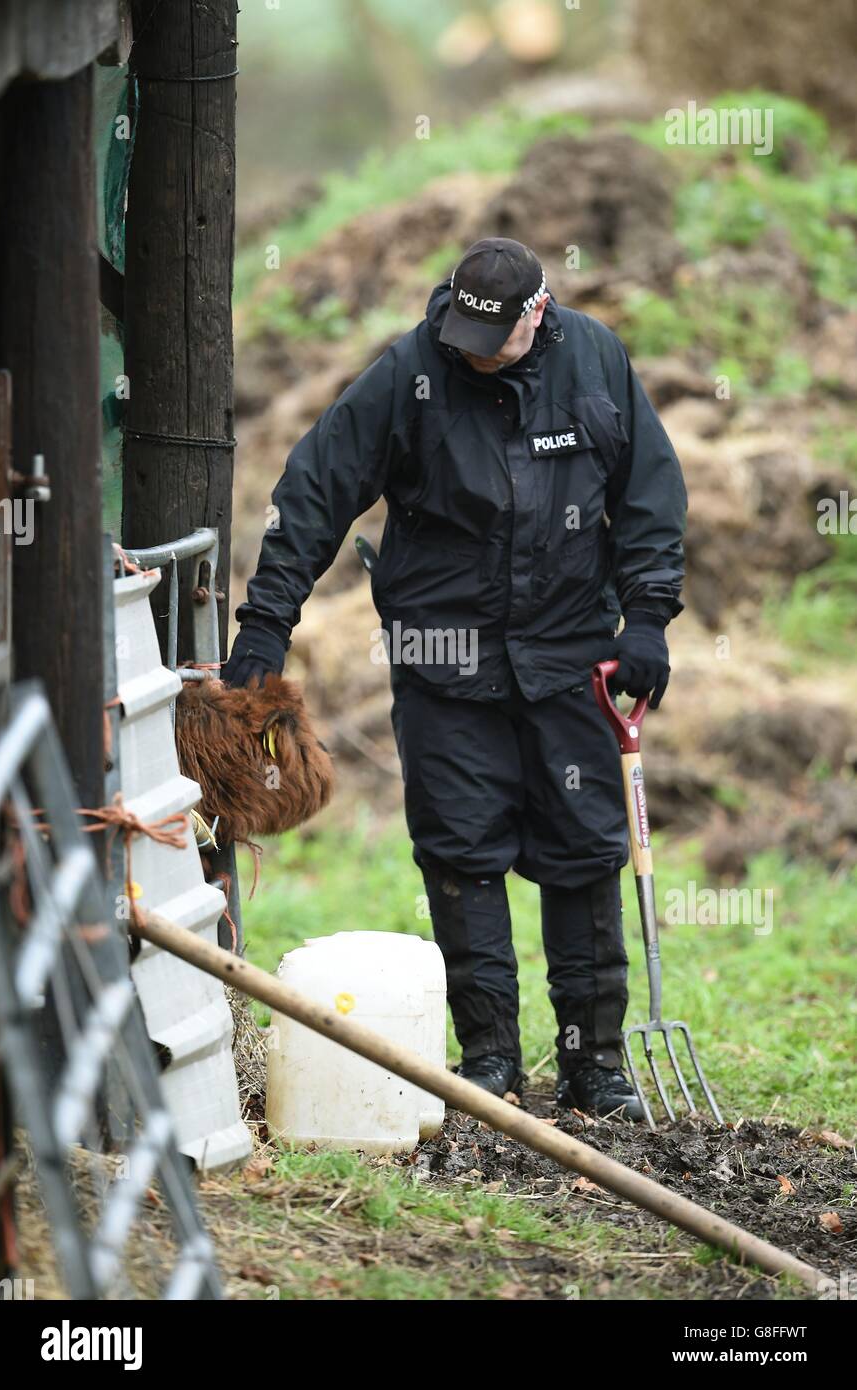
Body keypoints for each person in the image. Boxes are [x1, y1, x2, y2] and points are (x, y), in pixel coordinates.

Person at [224, 238, 687, 1120]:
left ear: (537, 313)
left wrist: (651, 617)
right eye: (463, 331)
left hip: (569, 660)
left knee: (585, 854)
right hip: (446, 664)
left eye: (495, 336)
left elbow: (649, 494)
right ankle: (491, 1062)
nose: (474, 349)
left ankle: (594, 1067)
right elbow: (315, 490)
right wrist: (266, 625)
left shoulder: (596, 360)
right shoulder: (411, 372)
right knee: (461, 853)